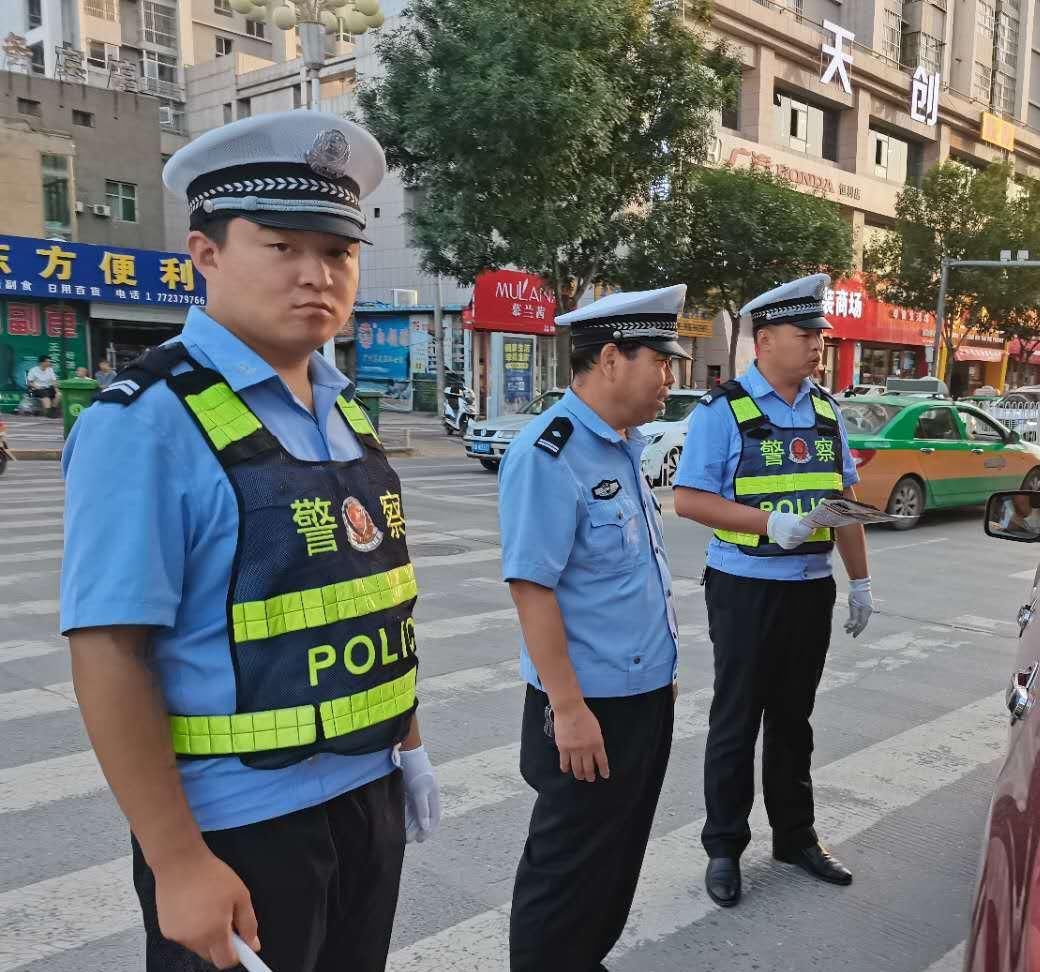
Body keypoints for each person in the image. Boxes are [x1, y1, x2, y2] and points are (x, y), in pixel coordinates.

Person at [59, 111, 440, 972]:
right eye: (282, 246)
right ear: (207, 253)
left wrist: (406, 750)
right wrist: (177, 861)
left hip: (365, 791)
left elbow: (367, 592)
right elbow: (111, 652)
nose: (318, 276)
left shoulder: (343, 412)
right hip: (237, 825)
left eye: (338, 252)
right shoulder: (147, 423)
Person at [501, 285, 690, 971]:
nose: (671, 377)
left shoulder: (621, 447)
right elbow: (532, 587)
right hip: (587, 706)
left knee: (616, 855)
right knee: (566, 867)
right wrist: (569, 708)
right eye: (661, 361)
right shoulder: (549, 453)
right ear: (611, 358)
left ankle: (583, 957)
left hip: (640, 695)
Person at [672, 273, 875, 908]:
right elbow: (688, 499)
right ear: (764, 340)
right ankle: (724, 847)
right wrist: (770, 524)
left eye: (820, 335)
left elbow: (842, 501)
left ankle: (796, 837)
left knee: (794, 721)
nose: (818, 345)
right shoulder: (724, 410)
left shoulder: (824, 410)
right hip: (744, 588)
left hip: (809, 590)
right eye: (805, 334)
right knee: (736, 721)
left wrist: (860, 580)